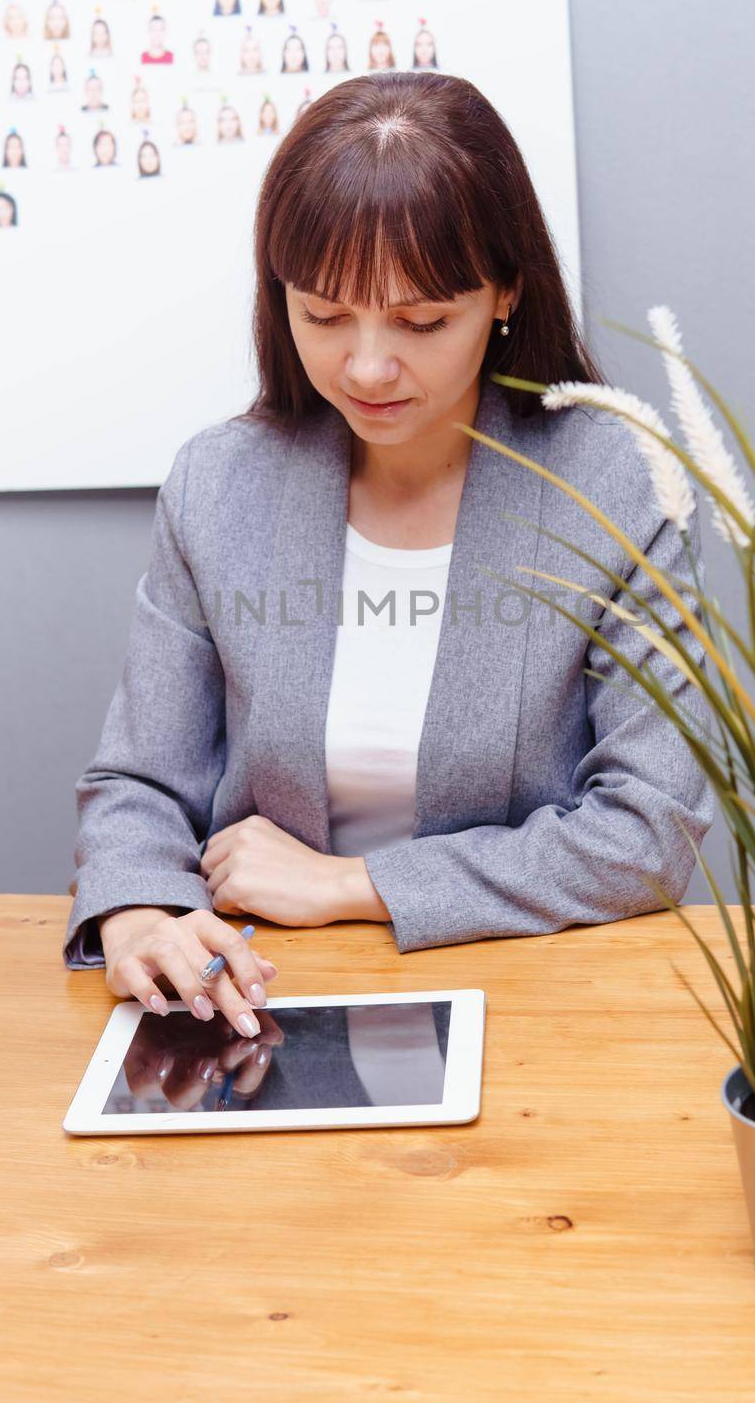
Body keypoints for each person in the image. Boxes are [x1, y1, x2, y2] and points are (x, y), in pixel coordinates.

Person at [62, 70, 715, 1051]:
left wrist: (352, 887)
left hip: (535, 1002)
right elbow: (138, 784)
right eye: (323, 314)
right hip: (261, 1005)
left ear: (504, 294)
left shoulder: (615, 483)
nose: (365, 367)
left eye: (418, 321)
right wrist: (139, 912)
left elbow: (647, 832)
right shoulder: (218, 486)